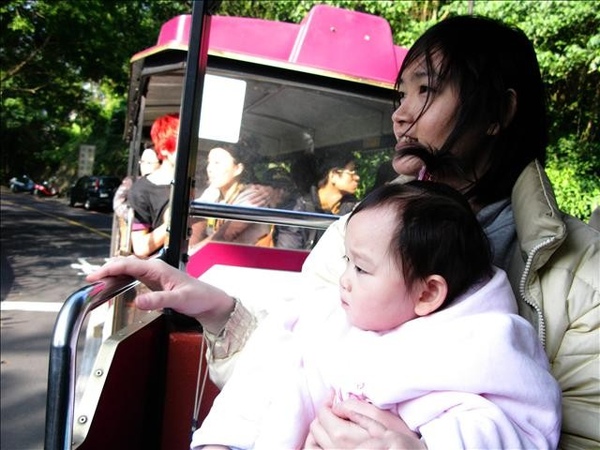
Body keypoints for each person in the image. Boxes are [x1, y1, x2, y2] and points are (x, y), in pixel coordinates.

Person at [87, 14, 599, 449]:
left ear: (498, 112)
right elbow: (300, 363)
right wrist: (220, 312)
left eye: (427, 90)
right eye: (402, 93)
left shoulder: (583, 275)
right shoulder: (355, 234)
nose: (400, 114)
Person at [192, 181, 561, 450]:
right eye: (346, 261)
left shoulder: (481, 346)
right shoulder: (333, 319)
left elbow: (518, 426)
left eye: (361, 269)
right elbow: (269, 367)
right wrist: (225, 439)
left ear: (427, 293)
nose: (344, 279)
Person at [189, 143, 272, 250]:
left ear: (238, 169)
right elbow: (193, 215)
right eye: (209, 162)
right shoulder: (214, 191)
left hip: (247, 257)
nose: (210, 169)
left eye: (217, 163)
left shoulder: (253, 196)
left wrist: (191, 252)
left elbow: (225, 235)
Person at [277, 152, 360, 249]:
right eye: (352, 172)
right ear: (333, 175)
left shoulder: (354, 210)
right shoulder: (299, 209)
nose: (357, 177)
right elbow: (288, 252)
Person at [128, 113, 179, 257]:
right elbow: (140, 247)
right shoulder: (141, 190)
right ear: (164, 149)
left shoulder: (203, 181)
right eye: (181, 141)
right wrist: (173, 222)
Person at [113, 147, 161, 221]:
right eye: (142, 161)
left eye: (149, 163)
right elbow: (117, 203)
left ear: (160, 164)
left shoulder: (164, 185)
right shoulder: (131, 182)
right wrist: (133, 215)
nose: (144, 166)